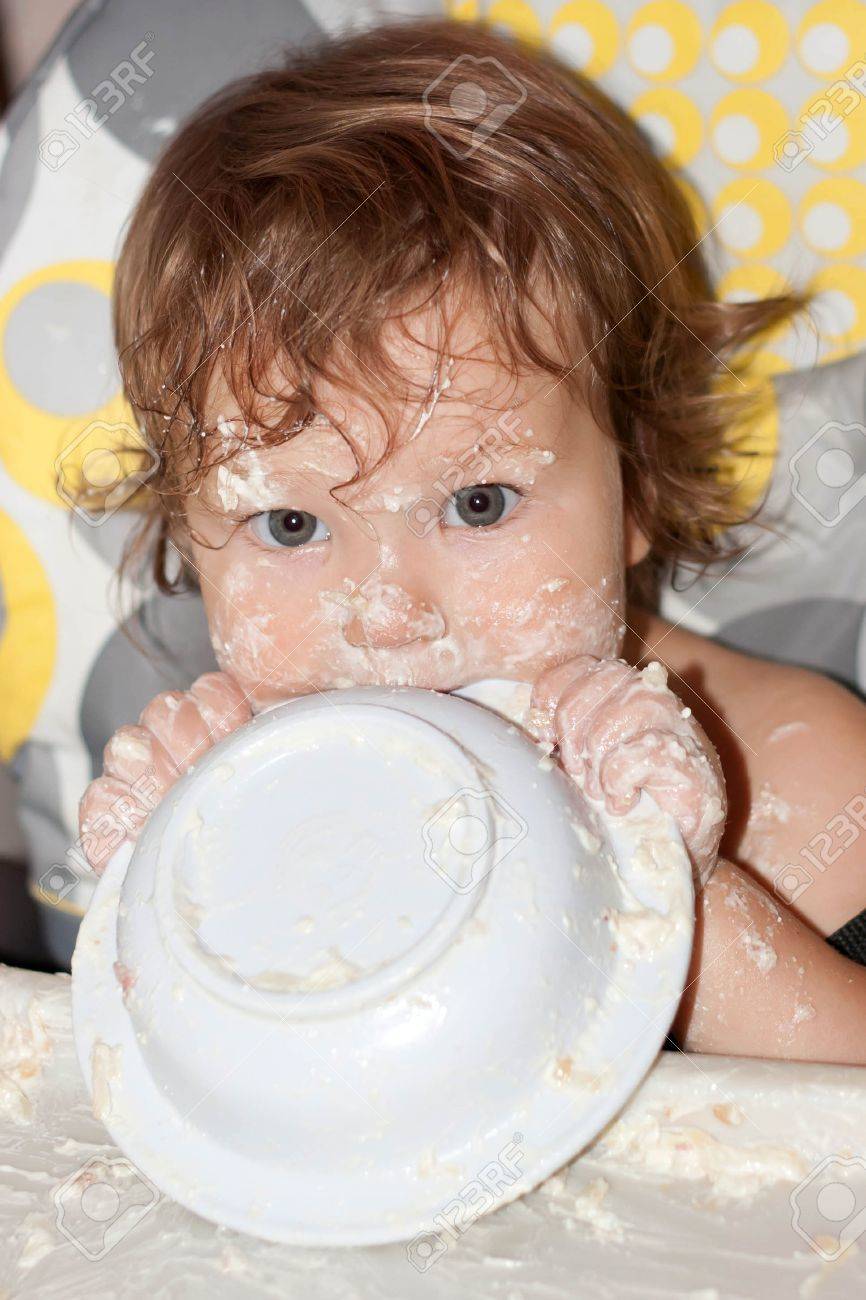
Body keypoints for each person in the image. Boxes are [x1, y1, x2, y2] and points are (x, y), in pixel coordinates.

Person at [79, 19, 866, 1062]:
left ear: (632, 484)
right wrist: (168, 910)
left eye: (479, 504)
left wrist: (661, 883)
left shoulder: (798, 776)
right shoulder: (230, 793)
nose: (391, 616)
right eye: (292, 524)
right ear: (192, 539)